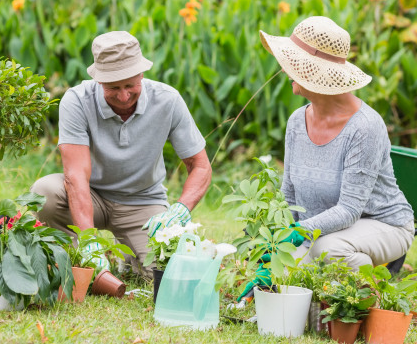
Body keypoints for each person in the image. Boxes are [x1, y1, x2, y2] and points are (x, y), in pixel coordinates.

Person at [237, 16, 414, 302]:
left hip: (383, 224)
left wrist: (298, 233)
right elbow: (289, 192)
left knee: (327, 251)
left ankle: (365, 302)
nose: (284, 68)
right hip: (321, 231)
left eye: (292, 62)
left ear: (317, 72)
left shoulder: (365, 126)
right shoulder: (297, 121)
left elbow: (349, 210)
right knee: (283, 276)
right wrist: (275, 250)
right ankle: (327, 300)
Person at [31, 30, 212, 275]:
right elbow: (75, 177)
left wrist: (180, 209)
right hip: (91, 196)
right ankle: (74, 261)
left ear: (142, 74)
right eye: (113, 87)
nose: (124, 96)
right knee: (45, 193)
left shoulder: (168, 100)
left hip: (142, 201)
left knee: (164, 272)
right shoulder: (76, 101)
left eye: (131, 85)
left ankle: (127, 255)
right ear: (99, 81)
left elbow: (200, 166)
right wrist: (88, 239)